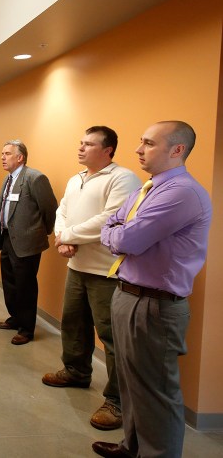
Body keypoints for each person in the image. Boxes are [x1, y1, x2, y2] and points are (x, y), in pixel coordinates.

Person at [94, 121, 212, 458]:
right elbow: (111, 222)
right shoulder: (148, 188)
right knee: (132, 384)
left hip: (155, 306)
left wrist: (119, 234)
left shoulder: (181, 193)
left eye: (148, 143)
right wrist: (118, 233)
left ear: (177, 150)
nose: (138, 149)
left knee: (157, 393)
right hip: (129, 294)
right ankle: (133, 447)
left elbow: (127, 238)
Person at [41, 126, 140, 431]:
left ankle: (118, 402)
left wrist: (68, 236)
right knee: (73, 323)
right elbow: (62, 212)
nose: (81, 148)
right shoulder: (76, 178)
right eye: (80, 143)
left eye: (89, 144)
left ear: (108, 150)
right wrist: (62, 236)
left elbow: (110, 220)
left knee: (111, 337)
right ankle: (76, 371)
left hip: (105, 271)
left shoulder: (122, 178)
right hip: (77, 266)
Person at [0, 140, 58, 345]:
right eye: (2, 153)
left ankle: (26, 329)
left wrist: (41, 232)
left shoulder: (35, 178)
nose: (2, 157)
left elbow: (50, 209)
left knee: (25, 286)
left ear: (20, 157)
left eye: (7, 153)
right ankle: (15, 318)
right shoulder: (8, 179)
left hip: (27, 242)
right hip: (7, 239)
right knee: (10, 283)